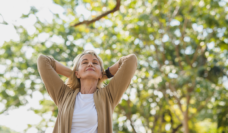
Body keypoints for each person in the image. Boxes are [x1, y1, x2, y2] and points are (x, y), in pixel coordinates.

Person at [37, 49, 137, 133]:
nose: (90, 64)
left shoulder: (108, 95)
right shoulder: (63, 95)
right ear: (77, 73)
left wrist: (104, 74)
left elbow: (130, 60)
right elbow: (43, 60)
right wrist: (74, 74)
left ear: (100, 73)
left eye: (95, 63)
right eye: (84, 62)